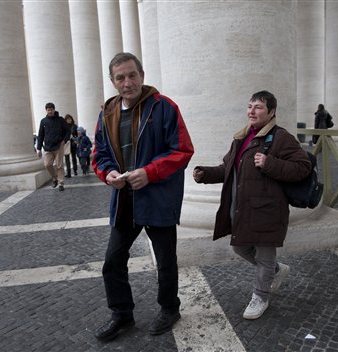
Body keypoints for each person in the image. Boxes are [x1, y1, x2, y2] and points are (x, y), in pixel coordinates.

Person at [92, 52, 194, 341]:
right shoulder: (107, 113)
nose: (127, 82)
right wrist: (108, 174)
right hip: (125, 199)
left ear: (142, 75)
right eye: (120, 77)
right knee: (112, 261)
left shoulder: (164, 107)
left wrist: (150, 172)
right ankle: (122, 315)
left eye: (132, 75)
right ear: (112, 82)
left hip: (157, 196)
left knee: (165, 260)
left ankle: (170, 309)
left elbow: (182, 150)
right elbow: (99, 155)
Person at [193, 90, 311, 320]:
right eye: (249, 106)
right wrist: (205, 174)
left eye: (258, 107)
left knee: (265, 255)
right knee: (239, 247)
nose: (251, 111)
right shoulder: (241, 137)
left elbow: (303, 166)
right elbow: (227, 169)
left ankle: (261, 296)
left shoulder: (280, 137)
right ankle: (276, 271)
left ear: (271, 112)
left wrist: (270, 163)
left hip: (268, 209)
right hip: (244, 207)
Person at [36, 102, 70, 191]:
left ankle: (61, 183)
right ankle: (55, 178)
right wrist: (38, 148)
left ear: (54, 109)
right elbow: (40, 135)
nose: (50, 111)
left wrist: (64, 141)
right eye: (48, 110)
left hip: (59, 146)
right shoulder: (43, 121)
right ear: (46, 111)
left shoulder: (61, 120)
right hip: (47, 147)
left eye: (51, 109)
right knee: (47, 164)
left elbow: (68, 131)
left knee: (59, 165)